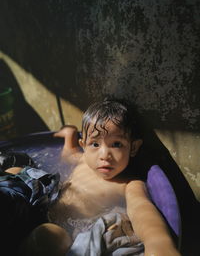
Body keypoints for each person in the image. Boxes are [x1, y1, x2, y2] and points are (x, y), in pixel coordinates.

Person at [20, 98, 180, 256]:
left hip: (68, 234)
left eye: (116, 144)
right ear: (84, 146)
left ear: (133, 147)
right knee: (16, 172)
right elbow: (69, 154)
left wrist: (158, 242)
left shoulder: (128, 183)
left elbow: (141, 209)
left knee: (47, 236)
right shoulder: (83, 160)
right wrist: (70, 135)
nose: (105, 155)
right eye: (95, 144)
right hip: (43, 208)